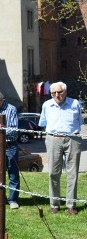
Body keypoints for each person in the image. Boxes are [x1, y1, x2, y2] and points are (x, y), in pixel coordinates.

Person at [39, 82, 82, 215]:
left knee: (72, 173)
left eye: (60, 92)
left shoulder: (75, 104)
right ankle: (55, 204)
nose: (57, 95)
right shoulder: (47, 105)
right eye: (54, 93)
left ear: (65, 91)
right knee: (53, 172)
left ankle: (71, 204)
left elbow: (79, 121)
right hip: (53, 139)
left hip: (73, 139)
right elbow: (43, 122)